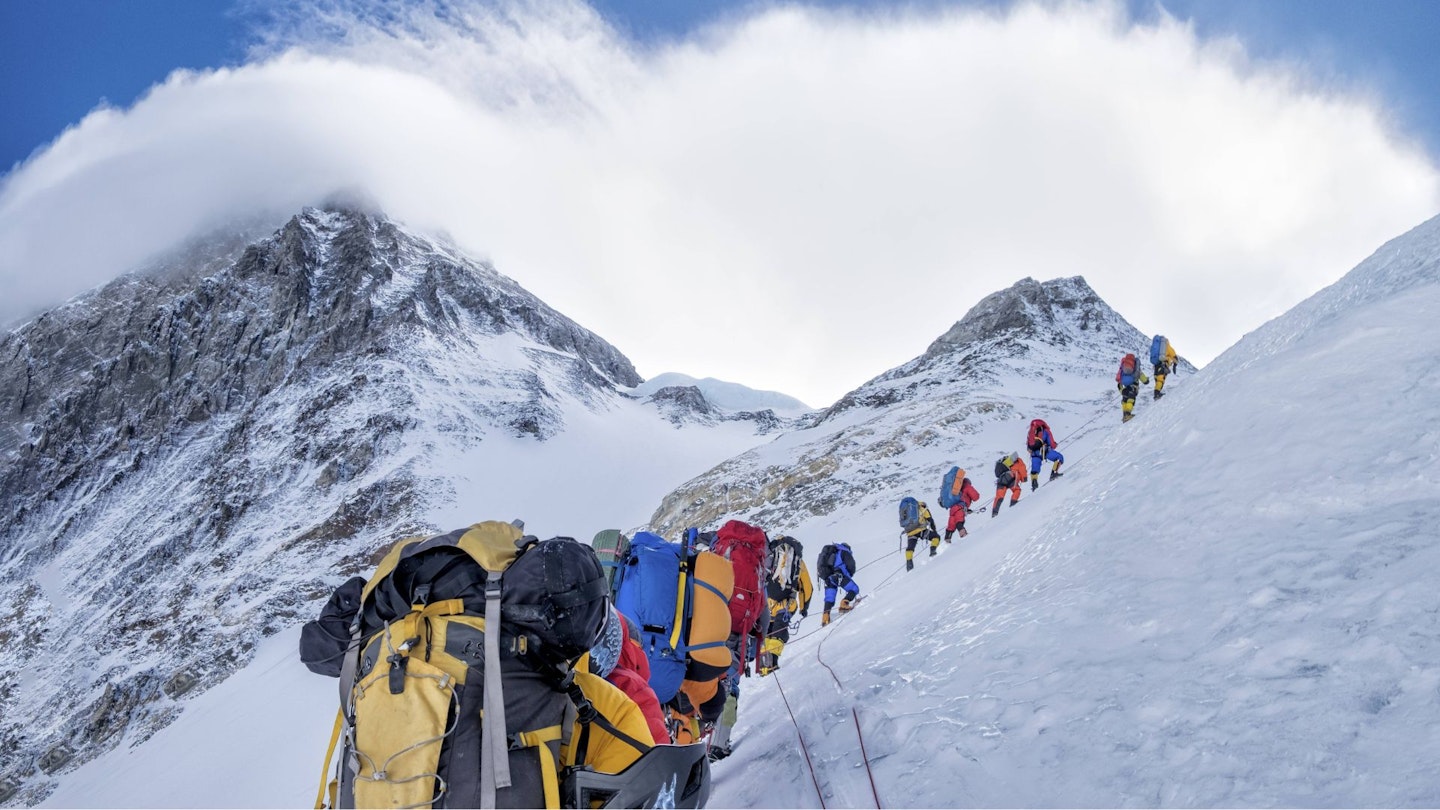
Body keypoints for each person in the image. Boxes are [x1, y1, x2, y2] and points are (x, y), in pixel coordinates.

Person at [816, 542, 860, 625]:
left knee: (829, 598)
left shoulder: (831, 553)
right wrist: (848, 576)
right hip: (839, 576)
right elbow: (851, 566)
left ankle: (825, 617)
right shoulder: (844, 552)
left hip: (828, 578)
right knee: (854, 588)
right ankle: (844, 603)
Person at [1026, 418, 1064, 490]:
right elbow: (1051, 443)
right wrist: (1055, 445)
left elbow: (1029, 446)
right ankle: (1054, 473)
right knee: (1059, 458)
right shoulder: (1045, 431)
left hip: (1034, 454)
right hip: (1044, 451)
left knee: (1035, 469)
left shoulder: (1030, 433)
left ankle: (1034, 483)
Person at [902, 501, 941, 571]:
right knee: (936, 537)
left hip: (910, 533)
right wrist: (934, 531)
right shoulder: (922, 509)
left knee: (910, 548)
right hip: (921, 531)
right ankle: (933, 552)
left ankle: (909, 565)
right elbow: (930, 520)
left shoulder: (908, 511)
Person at [943, 470, 981, 541]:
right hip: (960, 508)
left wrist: (967, 510)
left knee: (950, 527)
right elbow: (976, 497)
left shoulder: (956, 489)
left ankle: (946, 542)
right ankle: (965, 538)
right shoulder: (967, 486)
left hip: (952, 509)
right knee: (959, 522)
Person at [991, 452, 1028, 517]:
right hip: (1010, 477)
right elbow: (1023, 472)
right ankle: (1013, 502)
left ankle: (994, 512)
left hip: (1001, 478)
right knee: (1017, 490)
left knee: (999, 496)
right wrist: (1024, 479)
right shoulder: (1020, 462)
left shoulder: (1008, 461)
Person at [1116, 352, 1149, 423]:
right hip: (1133, 386)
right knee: (1131, 398)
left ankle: (1125, 415)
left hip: (1124, 386)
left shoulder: (1123, 367)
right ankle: (1128, 414)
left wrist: (1121, 388)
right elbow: (1143, 378)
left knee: (1125, 399)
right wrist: (1146, 381)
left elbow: (1119, 376)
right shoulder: (1136, 368)